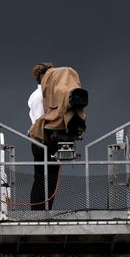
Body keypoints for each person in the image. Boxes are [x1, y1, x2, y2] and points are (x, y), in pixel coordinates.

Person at [27, 63, 88, 211]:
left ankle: (45, 210)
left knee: (50, 179)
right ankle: (38, 212)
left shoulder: (51, 94)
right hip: (41, 139)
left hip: (48, 139)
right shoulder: (39, 96)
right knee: (43, 178)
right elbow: (39, 119)